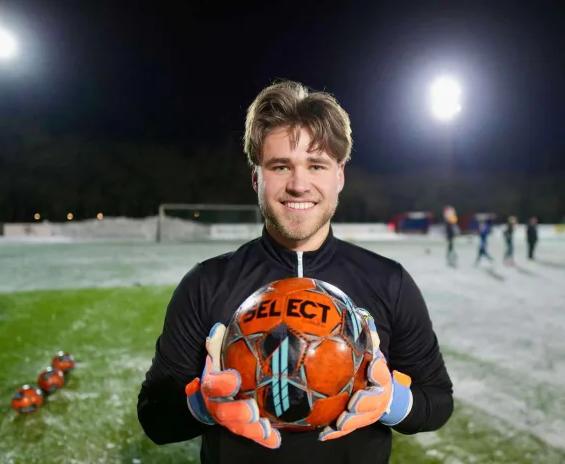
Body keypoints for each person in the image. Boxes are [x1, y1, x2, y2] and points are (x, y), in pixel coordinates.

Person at [137, 80, 454, 464]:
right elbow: (154, 417)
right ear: (257, 178)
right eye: (281, 166)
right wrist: (201, 404)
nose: (299, 184)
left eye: (316, 165)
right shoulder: (206, 284)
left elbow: (437, 399)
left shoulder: (389, 281)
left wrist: (391, 400)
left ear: (339, 176)